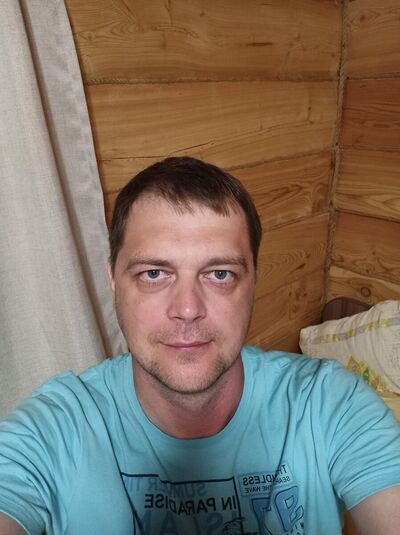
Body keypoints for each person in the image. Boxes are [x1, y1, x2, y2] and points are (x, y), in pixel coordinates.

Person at [0, 157, 399, 535]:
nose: (188, 309)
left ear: (253, 282)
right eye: (154, 273)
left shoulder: (330, 403)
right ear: (114, 281)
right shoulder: (56, 428)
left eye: (219, 274)